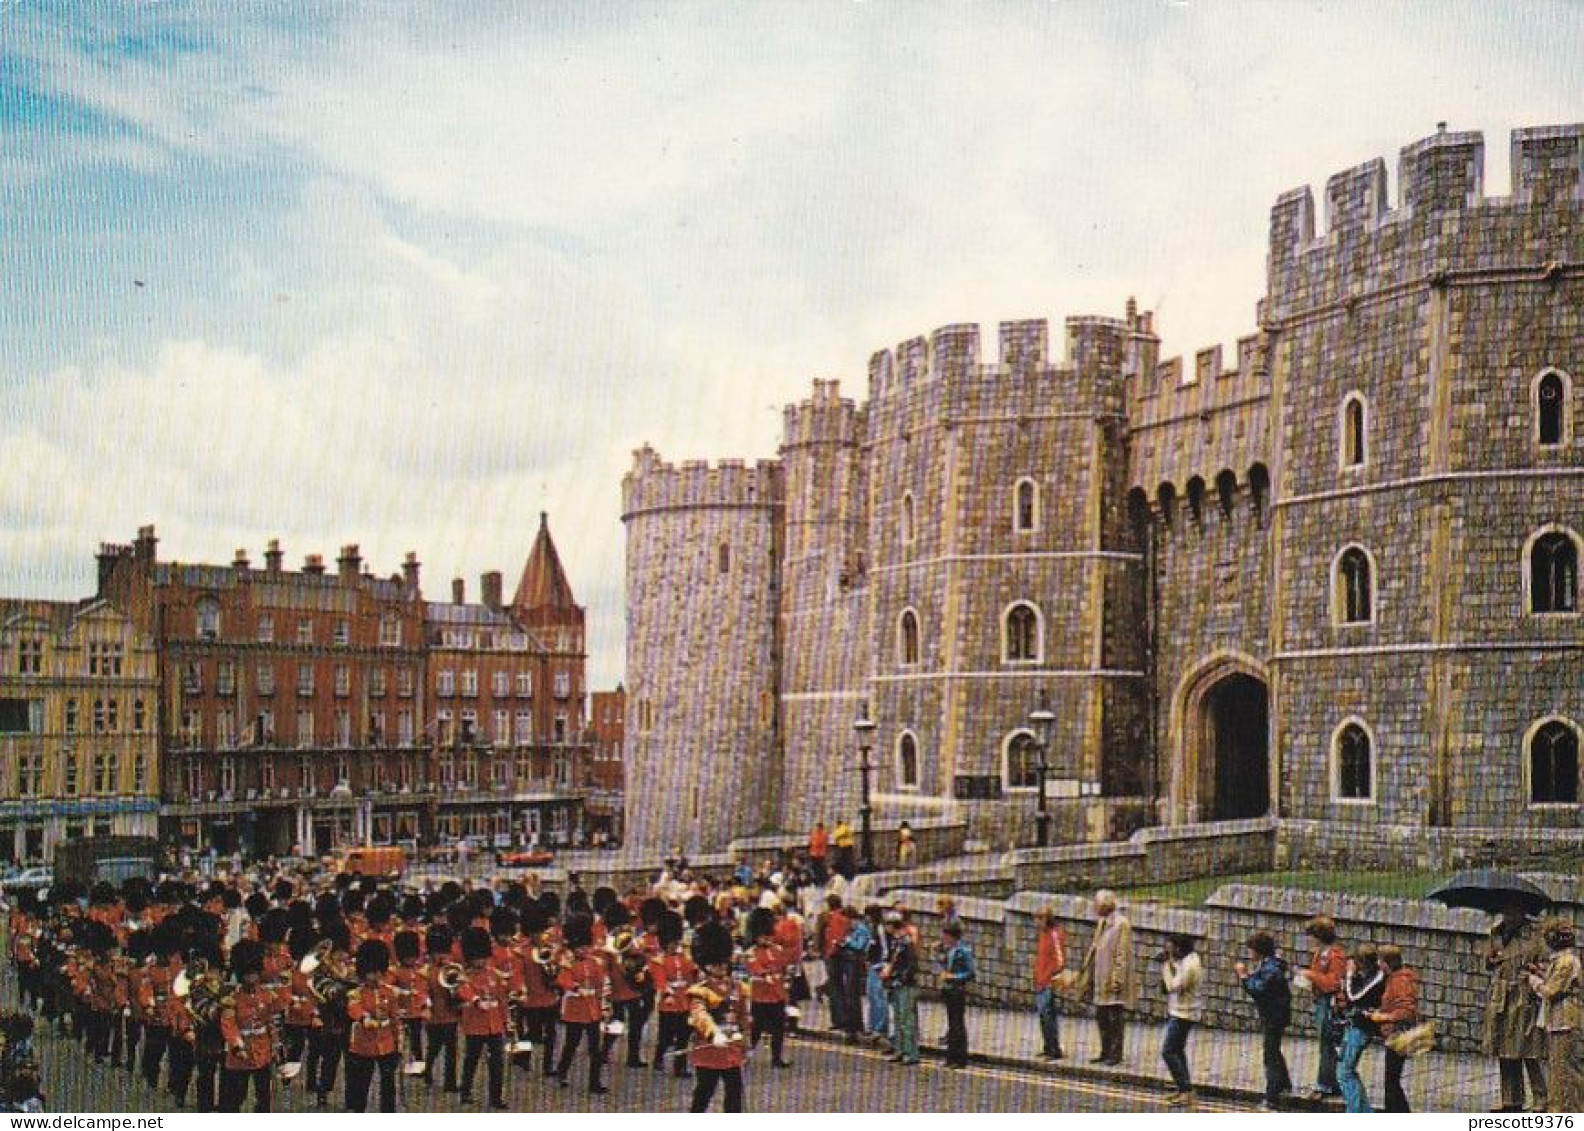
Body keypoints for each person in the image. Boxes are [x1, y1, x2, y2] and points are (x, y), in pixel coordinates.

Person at [1484, 904, 1549, 1112]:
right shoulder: (1496, 931)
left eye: (1513, 911)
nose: (1509, 915)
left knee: (1529, 1050)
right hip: (1500, 996)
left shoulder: (1535, 933)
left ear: (1522, 911)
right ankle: (1510, 1098)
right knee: (1504, 1049)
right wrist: (1490, 959)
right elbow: (1488, 961)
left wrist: (1535, 971)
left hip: (1524, 996)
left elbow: (1546, 963)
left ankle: (1541, 1097)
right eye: (1506, 911)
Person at [687, 920, 751, 1112]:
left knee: (735, 1093)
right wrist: (714, 1034)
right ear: (706, 966)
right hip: (709, 1052)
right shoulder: (700, 991)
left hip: (731, 1050)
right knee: (704, 1092)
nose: (722, 967)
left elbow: (743, 1016)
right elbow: (700, 1015)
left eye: (723, 963)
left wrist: (744, 1039)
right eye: (716, 964)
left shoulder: (738, 987)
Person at [1073, 890, 1135, 1066]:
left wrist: (1118, 979)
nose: (1094, 906)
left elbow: (1122, 954)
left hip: (1112, 978)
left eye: (1096, 904)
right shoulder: (1102, 922)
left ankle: (1116, 1054)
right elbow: (1096, 947)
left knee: (1115, 1018)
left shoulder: (1121, 924)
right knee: (1101, 1017)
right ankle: (1105, 1051)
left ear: (1105, 905)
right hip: (1100, 976)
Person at [1528, 917, 1582, 1114]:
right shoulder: (1562, 960)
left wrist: (1534, 981)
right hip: (1559, 1020)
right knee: (1558, 1068)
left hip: (1564, 1021)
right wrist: (1542, 974)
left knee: (1563, 1072)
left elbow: (1552, 991)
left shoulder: (1566, 961)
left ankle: (1564, 1111)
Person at [1236, 930, 1293, 1111]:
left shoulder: (1270, 969)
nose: (1249, 953)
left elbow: (1258, 989)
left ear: (1258, 950)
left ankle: (1272, 1099)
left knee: (1270, 1056)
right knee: (1273, 1050)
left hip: (1273, 1016)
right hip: (1276, 1014)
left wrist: (1244, 976)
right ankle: (1284, 1085)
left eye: (1251, 949)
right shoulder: (1270, 965)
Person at [344, 939, 400, 1113]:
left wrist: (398, 1045)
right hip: (364, 1045)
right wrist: (364, 1018)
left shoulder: (389, 993)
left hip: (386, 1044)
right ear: (363, 972)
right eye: (371, 973)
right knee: (361, 1083)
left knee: (388, 1084)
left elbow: (395, 1019)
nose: (376, 977)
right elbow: (353, 1008)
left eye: (379, 972)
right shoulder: (356, 993)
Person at [1368, 944, 1420, 1113]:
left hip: (1399, 1033)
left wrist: (1382, 1017)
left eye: (1380, 961)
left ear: (1387, 962)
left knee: (1391, 1080)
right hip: (1395, 1033)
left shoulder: (1400, 981)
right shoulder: (1394, 978)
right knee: (1391, 1080)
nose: (1378, 964)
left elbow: (1405, 1011)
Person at [1336, 943, 1386, 1114]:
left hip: (1361, 1028)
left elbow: (1354, 996)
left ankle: (1356, 1112)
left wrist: (1350, 975)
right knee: (1345, 1070)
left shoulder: (1377, 977)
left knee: (1345, 1072)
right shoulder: (1368, 974)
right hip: (1354, 1025)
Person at [1301, 915, 1347, 1099]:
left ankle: (1324, 1085)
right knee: (1326, 1044)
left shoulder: (1334, 956)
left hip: (1330, 1004)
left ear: (1318, 936)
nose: (1309, 939)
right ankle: (1333, 1082)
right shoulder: (1320, 953)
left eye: (1311, 935)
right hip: (1321, 1002)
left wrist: (1310, 976)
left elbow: (1333, 983)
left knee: (1327, 1044)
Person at [1159, 933, 1203, 1108]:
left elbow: (1172, 986)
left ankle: (1185, 1092)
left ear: (1178, 948)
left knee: (1168, 1051)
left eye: (1171, 949)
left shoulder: (1190, 966)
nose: (1169, 952)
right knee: (1177, 1050)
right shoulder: (1188, 960)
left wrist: (1164, 966)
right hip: (1182, 1011)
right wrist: (1170, 963)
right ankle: (1185, 1088)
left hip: (1184, 1013)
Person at [881, 912, 919, 1066]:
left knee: (906, 1019)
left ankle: (911, 1053)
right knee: (897, 1018)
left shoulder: (906, 942)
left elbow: (912, 964)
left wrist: (902, 978)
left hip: (905, 984)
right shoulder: (896, 942)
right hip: (895, 983)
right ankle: (900, 1050)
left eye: (887, 925)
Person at [938, 921, 975, 1069]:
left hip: (957, 990)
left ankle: (960, 1058)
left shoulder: (963, 951)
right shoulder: (949, 950)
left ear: (952, 936)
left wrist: (953, 977)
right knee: (952, 1025)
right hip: (948, 989)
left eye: (945, 936)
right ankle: (950, 1057)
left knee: (958, 1025)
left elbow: (970, 972)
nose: (943, 939)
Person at [1032, 906, 1067, 1061]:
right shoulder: (1043, 934)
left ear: (1047, 919)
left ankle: (1054, 1049)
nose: (1036, 922)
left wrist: (1050, 976)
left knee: (1047, 1015)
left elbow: (1059, 961)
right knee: (1043, 1015)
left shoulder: (1054, 934)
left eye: (1039, 919)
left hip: (1048, 982)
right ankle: (1047, 1047)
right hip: (1040, 981)